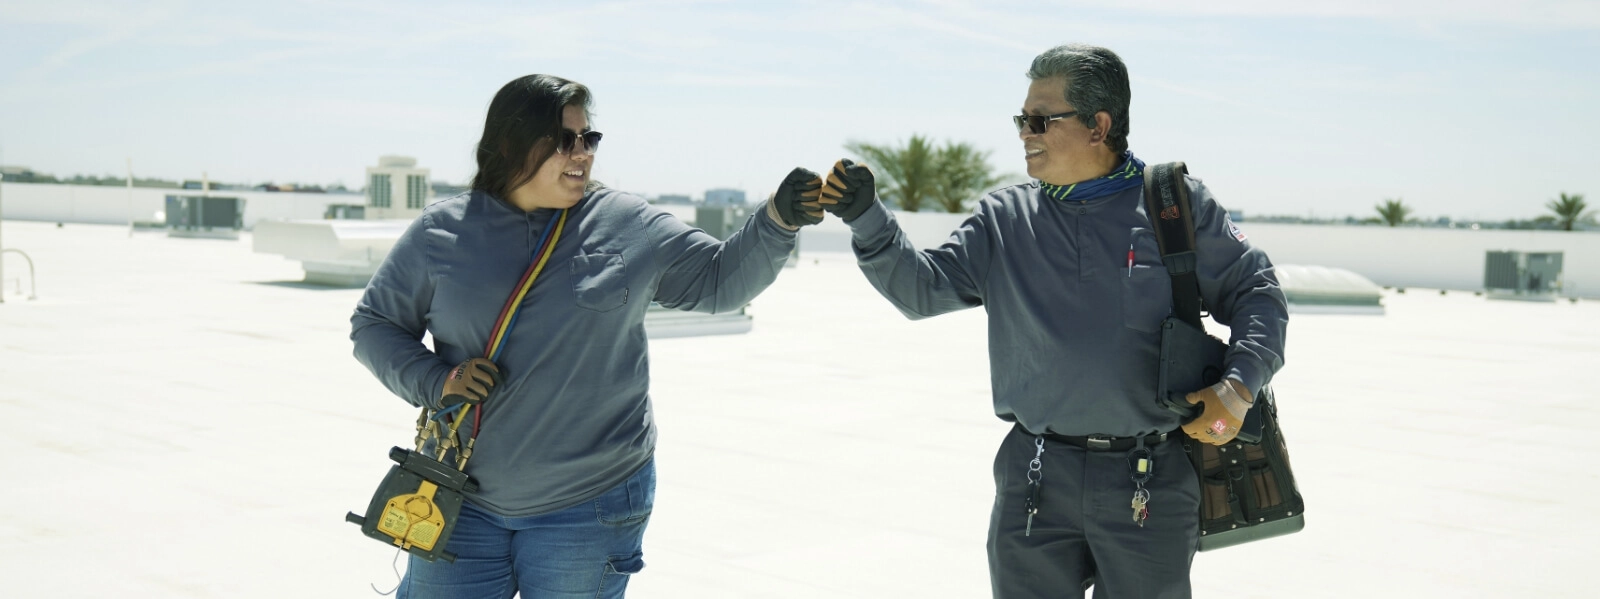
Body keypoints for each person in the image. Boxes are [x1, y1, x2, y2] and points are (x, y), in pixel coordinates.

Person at [813, 44, 1288, 598]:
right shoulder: (1002, 219)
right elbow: (921, 290)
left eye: (1040, 119)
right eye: (1022, 119)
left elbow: (1257, 292)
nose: (1024, 132)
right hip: (1033, 481)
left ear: (1098, 125)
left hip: (1150, 483)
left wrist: (1239, 385)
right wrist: (867, 219)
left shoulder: (1174, 207)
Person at [350, 74, 826, 598]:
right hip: (460, 499)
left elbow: (719, 281)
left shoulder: (627, 222)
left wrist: (778, 220)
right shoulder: (443, 231)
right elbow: (374, 326)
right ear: (510, 144)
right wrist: (437, 380)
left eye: (588, 138)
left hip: (589, 507)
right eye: (564, 140)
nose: (582, 153)